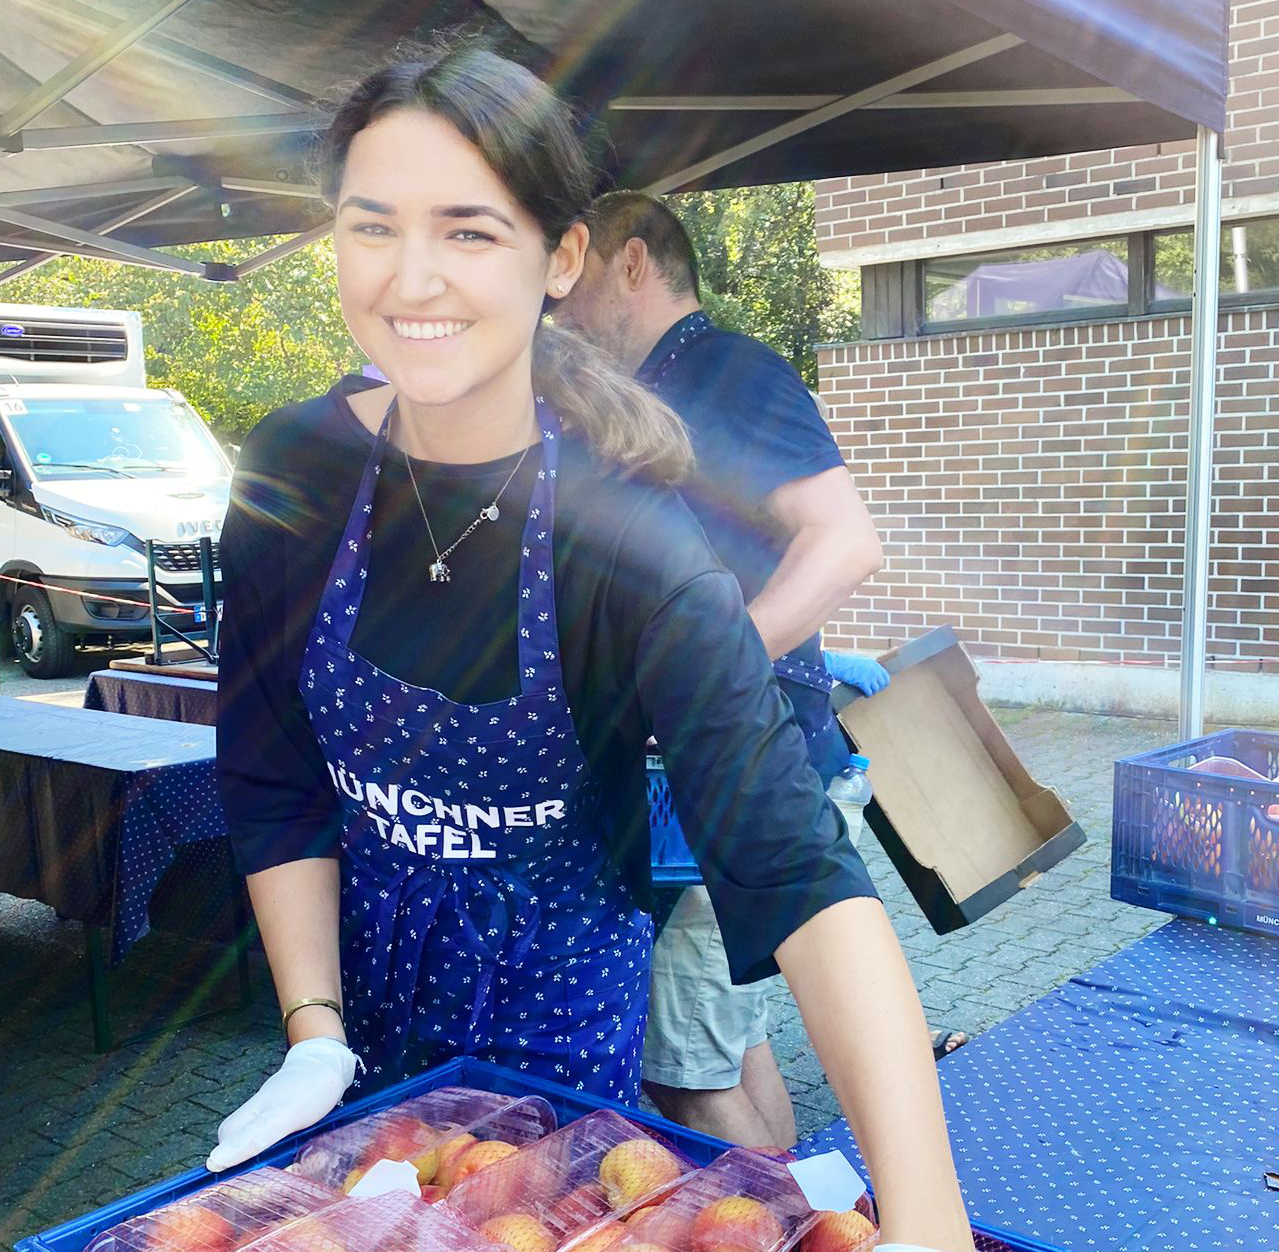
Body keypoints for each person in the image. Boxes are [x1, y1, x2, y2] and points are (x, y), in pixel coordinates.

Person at [209, 44, 971, 1252]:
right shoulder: (289, 473)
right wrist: (314, 1031)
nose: (413, 276)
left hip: (558, 1020)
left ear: (559, 257)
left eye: (468, 230)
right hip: (358, 1002)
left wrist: (926, 1214)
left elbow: (793, 862)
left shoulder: (624, 533)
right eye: (372, 226)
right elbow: (270, 778)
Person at [558, 193, 964, 1153]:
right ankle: (794, 1205)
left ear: (633, 264)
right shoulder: (652, 389)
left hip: (728, 777)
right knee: (732, 1050)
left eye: (576, 282)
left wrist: (719, 666)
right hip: (716, 782)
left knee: (684, 1078)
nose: (561, 310)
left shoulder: (730, 372)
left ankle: (760, 1214)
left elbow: (846, 541)